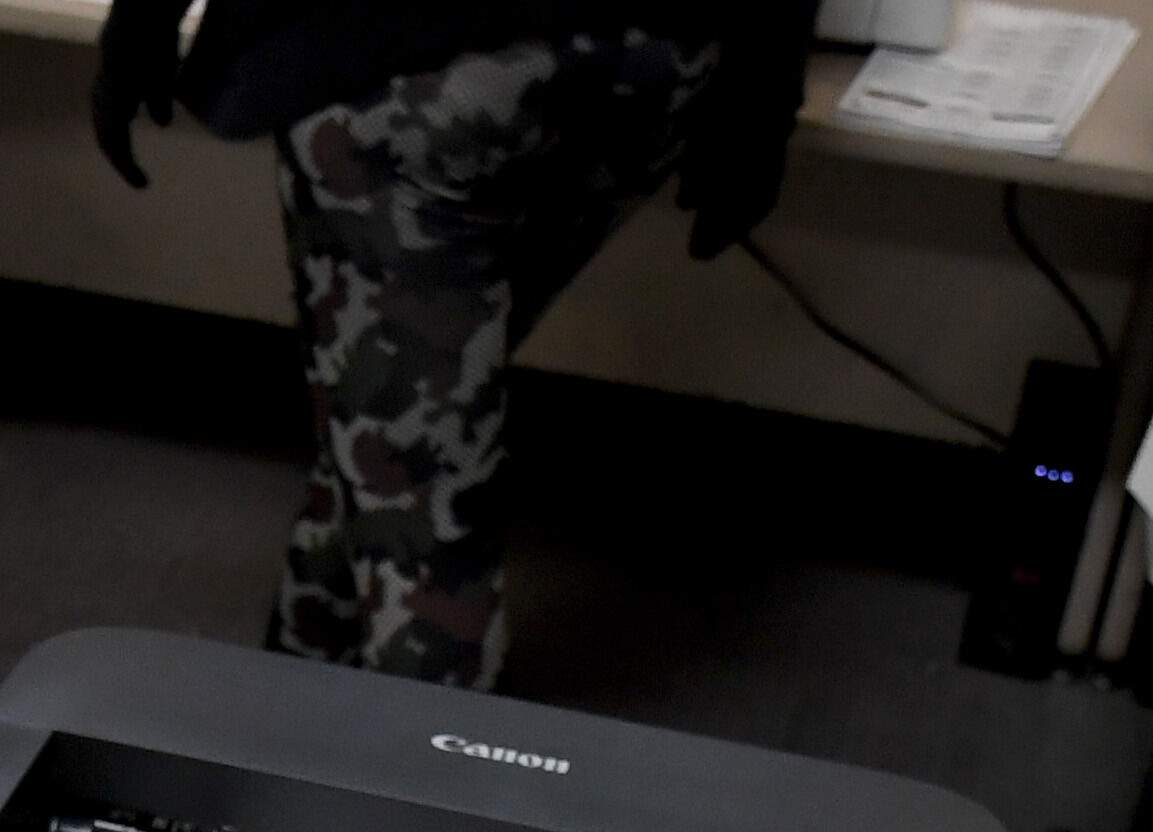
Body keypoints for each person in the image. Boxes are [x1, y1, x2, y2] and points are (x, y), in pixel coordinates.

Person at [93, 0, 819, 687]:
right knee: (395, 420)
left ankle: (432, 804)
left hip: (423, 67)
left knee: (415, 492)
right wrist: (763, 100)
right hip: (657, 62)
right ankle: (290, 715)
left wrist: (139, 27)